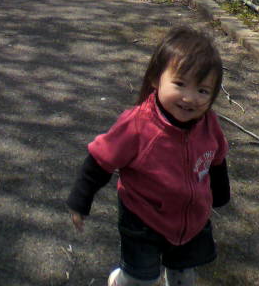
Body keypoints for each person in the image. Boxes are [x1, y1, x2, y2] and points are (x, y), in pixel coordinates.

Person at [67, 26, 230, 286]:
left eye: (202, 90)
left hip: (191, 219)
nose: (190, 98)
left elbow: (217, 160)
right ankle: (122, 280)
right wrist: (80, 200)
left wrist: (220, 194)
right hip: (143, 219)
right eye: (179, 84)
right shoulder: (138, 126)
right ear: (156, 79)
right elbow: (100, 160)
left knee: (184, 274)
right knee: (142, 278)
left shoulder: (209, 124)